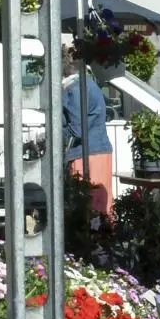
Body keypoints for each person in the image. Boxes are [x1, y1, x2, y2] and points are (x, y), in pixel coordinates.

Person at [62, 44, 112, 214]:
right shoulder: (85, 84)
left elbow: (77, 129)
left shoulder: (76, 90)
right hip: (95, 150)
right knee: (97, 208)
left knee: (88, 208)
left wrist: (52, 135)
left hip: (88, 153)